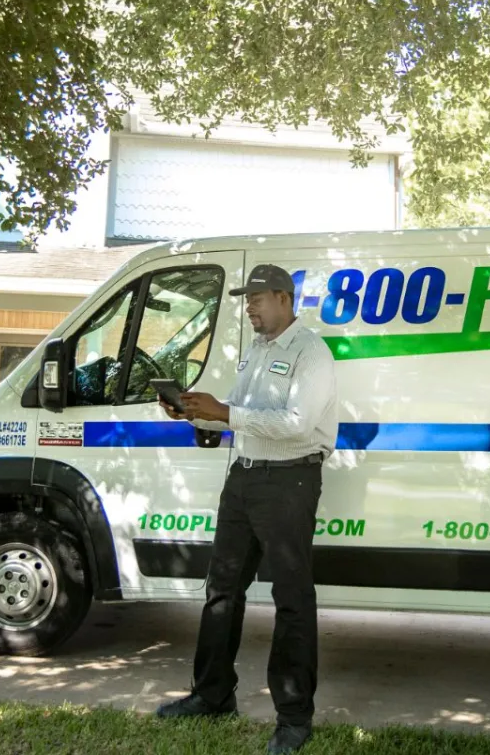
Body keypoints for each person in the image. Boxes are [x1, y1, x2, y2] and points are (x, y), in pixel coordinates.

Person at [154, 263, 340, 755]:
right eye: (246, 299)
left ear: (283, 297)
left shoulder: (311, 352)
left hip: (289, 480)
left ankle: (294, 717)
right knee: (222, 589)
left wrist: (226, 412)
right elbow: (239, 418)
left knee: (291, 598)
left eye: (257, 298)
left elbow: (298, 424)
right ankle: (212, 695)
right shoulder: (256, 352)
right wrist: (198, 413)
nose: (250, 307)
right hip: (244, 478)